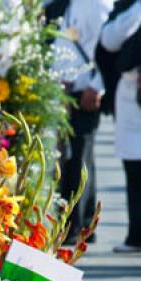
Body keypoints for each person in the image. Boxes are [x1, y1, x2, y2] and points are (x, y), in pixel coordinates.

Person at [49, 0, 114, 244]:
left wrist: (97, 87)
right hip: (63, 91)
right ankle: (84, 221)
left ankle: (74, 225)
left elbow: (106, 51)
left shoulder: (97, 3)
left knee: (78, 157)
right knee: (77, 156)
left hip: (85, 91)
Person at [100, 0, 141, 253]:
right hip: (131, 92)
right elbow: (109, 40)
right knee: (134, 168)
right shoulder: (130, 7)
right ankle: (136, 234)